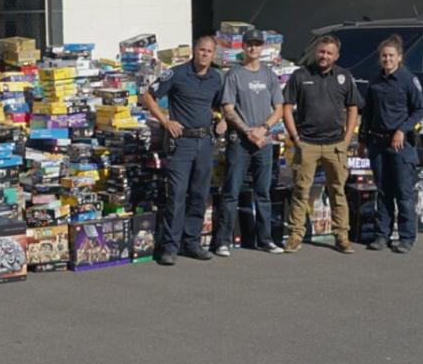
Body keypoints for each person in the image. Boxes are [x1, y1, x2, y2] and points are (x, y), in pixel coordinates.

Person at [142, 35, 227, 265]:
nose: (205, 54)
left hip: (205, 142)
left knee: (199, 195)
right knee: (177, 196)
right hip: (182, 143)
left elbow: (219, 106)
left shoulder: (216, 79)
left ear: (213, 54)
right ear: (194, 51)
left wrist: (221, 119)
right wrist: (165, 121)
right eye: (201, 50)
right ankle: (170, 246)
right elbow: (148, 95)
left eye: (209, 51)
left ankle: (192, 242)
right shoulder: (177, 74)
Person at [281, 35, 361, 254]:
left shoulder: (344, 76)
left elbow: (353, 107)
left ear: (336, 56)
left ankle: (341, 237)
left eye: (329, 53)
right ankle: (296, 235)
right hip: (307, 144)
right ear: (316, 52)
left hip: (335, 145)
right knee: (300, 191)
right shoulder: (300, 75)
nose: (324, 56)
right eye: (321, 51)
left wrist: (346, 138)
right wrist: (295, 137)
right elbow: (286, 106)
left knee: (337, 191)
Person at [213, 29, 285, 256]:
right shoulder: (234, 75)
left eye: (257, 44)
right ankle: (222, 241)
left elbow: (279, 108)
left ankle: (265, 239)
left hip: (264, 142)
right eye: (249, 44)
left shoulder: (270, 75)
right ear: (243, 47)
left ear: (262, 47)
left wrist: (263, 129)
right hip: (240, 142)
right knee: (231, 191)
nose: (253, 48)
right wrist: (247, 131)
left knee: (263, 192)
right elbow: (228, 108)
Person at [360, 34, 423, 254]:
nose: (387, 59)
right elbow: (367, 112)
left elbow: (419, 110)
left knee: (403, 192)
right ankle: (381, 235)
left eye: (391, 56)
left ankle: (407, 237)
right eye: (383, 56)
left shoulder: (408, 80)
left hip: (399, 144)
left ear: (399, 57)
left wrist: (402, 130)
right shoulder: (375, 80)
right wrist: (362, 139)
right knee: (383, 192)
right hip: (377, 143)